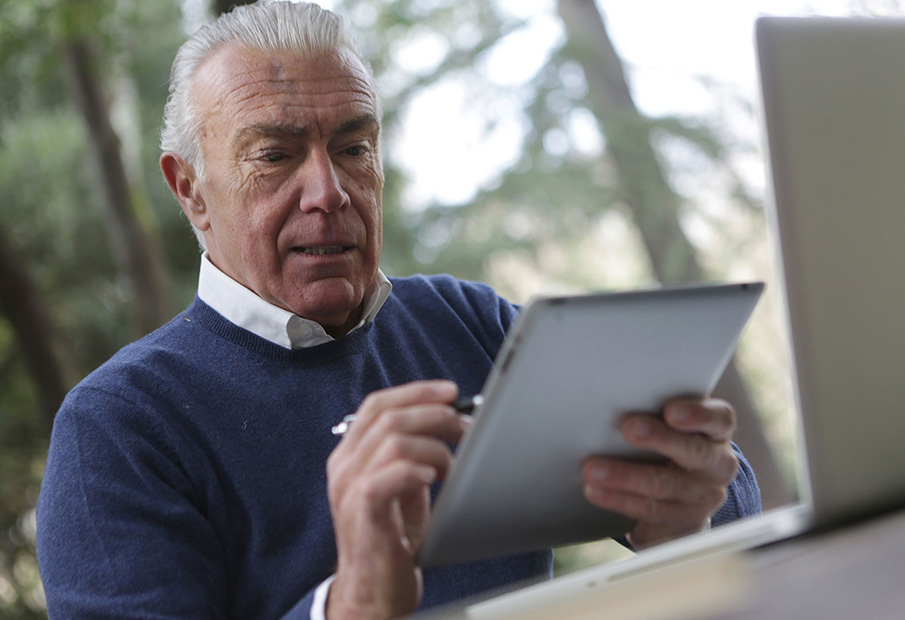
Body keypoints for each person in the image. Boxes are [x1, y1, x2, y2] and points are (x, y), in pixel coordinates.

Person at [36, 2, 762, 619]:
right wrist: (350, 603)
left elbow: (733, 531)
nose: (329, 191)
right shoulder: (119, 428)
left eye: (353, 146)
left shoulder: (466, 321)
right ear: (189, 188)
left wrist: (688, 516)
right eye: (276, 156)